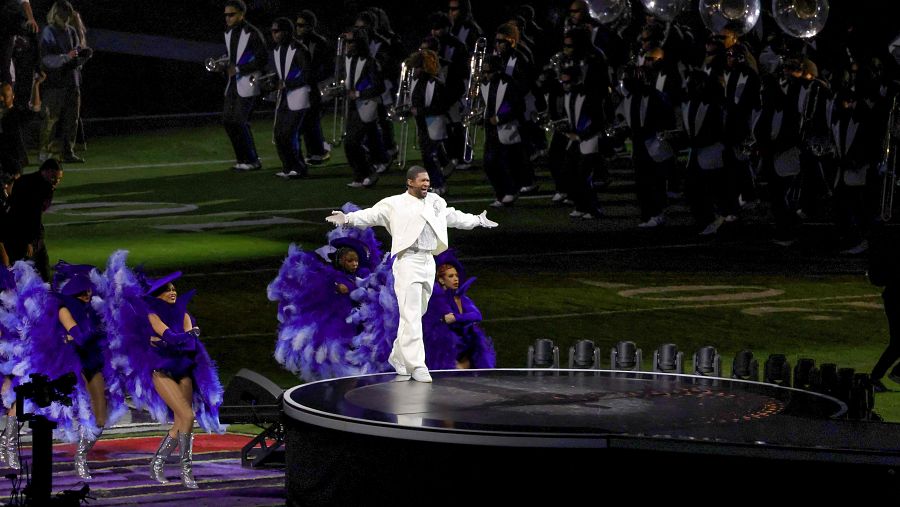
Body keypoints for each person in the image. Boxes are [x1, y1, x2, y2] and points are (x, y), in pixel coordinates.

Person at [325, 165, 498, 382]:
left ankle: (399, 356)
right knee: (412, 314)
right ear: (410, 182)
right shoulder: (394, 203)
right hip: (408, 261)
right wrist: (348, 218)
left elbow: (452, 217)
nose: (426, 184)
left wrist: (477, 220)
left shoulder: (436, 201)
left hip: (428, 261)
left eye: (428, 181)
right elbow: (371, 214)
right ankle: (417, 364)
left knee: (417, 312)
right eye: (422, 180)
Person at [422, 250, 496, 370]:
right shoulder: (435, 299)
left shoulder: (462, 298)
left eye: (456, 276)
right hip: (445, 349)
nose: (456, 279)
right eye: (450, 276)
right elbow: (431, 325)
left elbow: (477, 315)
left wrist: (456, 317)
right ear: (441, 280)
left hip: (465, 347)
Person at [38, 0, 91, 163]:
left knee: (72, 119)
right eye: (63, 15)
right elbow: (46, 59)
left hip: (72, 81)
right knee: (51, 119)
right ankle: (44, 152)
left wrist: (83, 57)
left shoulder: (72, 31)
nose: (66, 19)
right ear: (56, 15)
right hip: (55, 83)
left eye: (68, 15)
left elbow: (75, 54)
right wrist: (66, 57)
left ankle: (68, 152)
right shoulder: (49, 31)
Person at [222, 0, 267, 172]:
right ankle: (242, 159)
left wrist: (239, 68)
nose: (228, 18)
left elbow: (262, 59)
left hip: (248, 82)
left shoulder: (253, 33)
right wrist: (223, 63)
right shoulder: (228, 32)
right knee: (228, 120)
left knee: (240, 121)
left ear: (242, 14)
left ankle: (253, 160)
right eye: (226, 15)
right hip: (233, 83)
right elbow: (231, 55)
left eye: (231, 14)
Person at [6, 158, 63, 280]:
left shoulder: (28, 181)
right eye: (54, 177)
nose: (56, 182)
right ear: (46, 171)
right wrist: (29, 241)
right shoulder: (37, 187)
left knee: (39, 270)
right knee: (30, 273)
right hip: (25, 236)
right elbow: (28, 215)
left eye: (59, 179)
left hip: (27, 235)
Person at [270, 17, 311, 179]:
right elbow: (281, 74)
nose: (274, 34)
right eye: (272, 31)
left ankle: (298, 168)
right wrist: (273, 81)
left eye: (277, 31)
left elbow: (307, 75)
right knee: (279, 133)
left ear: (286, 32)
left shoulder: (299, 50)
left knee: (288, 133)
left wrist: (286, 83)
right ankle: (288, 167)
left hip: (299, 96)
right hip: (285, 97)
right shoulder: (277, 50)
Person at [295, 10, 330, 164]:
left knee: (311, 119)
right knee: (307, 119)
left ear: (310, 26)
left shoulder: (320, 42)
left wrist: (314, 78)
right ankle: (315, 151)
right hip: (300, 85)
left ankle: (317, 152)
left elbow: (327, 66)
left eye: (301, 25)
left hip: (314, 86)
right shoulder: (296, 42)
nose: (298, 28)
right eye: (297, 25)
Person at [868, 224, 900, 393]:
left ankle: (882, 376)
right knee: (897, 342)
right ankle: (878, 377)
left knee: (897, 342)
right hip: (896, 296)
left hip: (894, 295)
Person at [0, 71, 44, 176]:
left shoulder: (15, 114)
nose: (1, 99)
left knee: (12, 187)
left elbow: (35, 109)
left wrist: (36, 85)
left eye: (4, 96)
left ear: (13, 96)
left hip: (13, 159)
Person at [0, 0, 39, 85]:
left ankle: (7, 86)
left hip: (6, 26)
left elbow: (24, 1)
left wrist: (30, 18)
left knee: (5, 68)